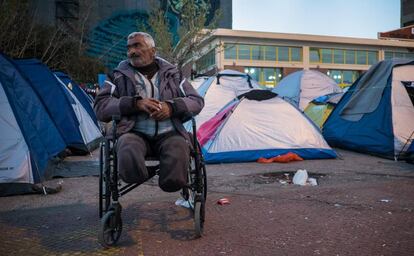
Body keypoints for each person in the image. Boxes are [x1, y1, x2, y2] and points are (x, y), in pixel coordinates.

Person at [94, 32, 204, 192]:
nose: (132, 51)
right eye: (129, 48)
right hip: (133, 132)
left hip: (169, 132)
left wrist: (171, 107)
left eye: (137, 45)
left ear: (153, 51)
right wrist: (134, 104)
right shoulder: (118, 76)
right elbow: (101, 107)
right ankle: (137, 176)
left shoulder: (173, 75)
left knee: (179, 147)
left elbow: (196, 100)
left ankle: (171, 181)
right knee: (127, 147)